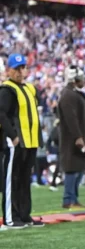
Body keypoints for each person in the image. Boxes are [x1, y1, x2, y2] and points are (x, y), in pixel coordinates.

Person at [0, 53, 45, 228]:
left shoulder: (29, 88)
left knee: (25, 179)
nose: (20, 72)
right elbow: (2, 114)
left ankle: (25, 214)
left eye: (22, 68)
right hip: (16, 141)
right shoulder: (6, 90)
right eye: (16, 69)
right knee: (13, 179)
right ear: (9, 70)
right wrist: (13, 136)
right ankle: (11, 217)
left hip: (30, 141)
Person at [57, 66, 85, 209]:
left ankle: (74, 199)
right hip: (72, 140)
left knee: (77, 168)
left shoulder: (74, 94)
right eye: (82, 78)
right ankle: (69, 199)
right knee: (72, 169)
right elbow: (71, 118)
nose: (84, 81)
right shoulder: (68, 95)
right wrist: (78, 136)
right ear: (75, 79)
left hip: (78, 137)